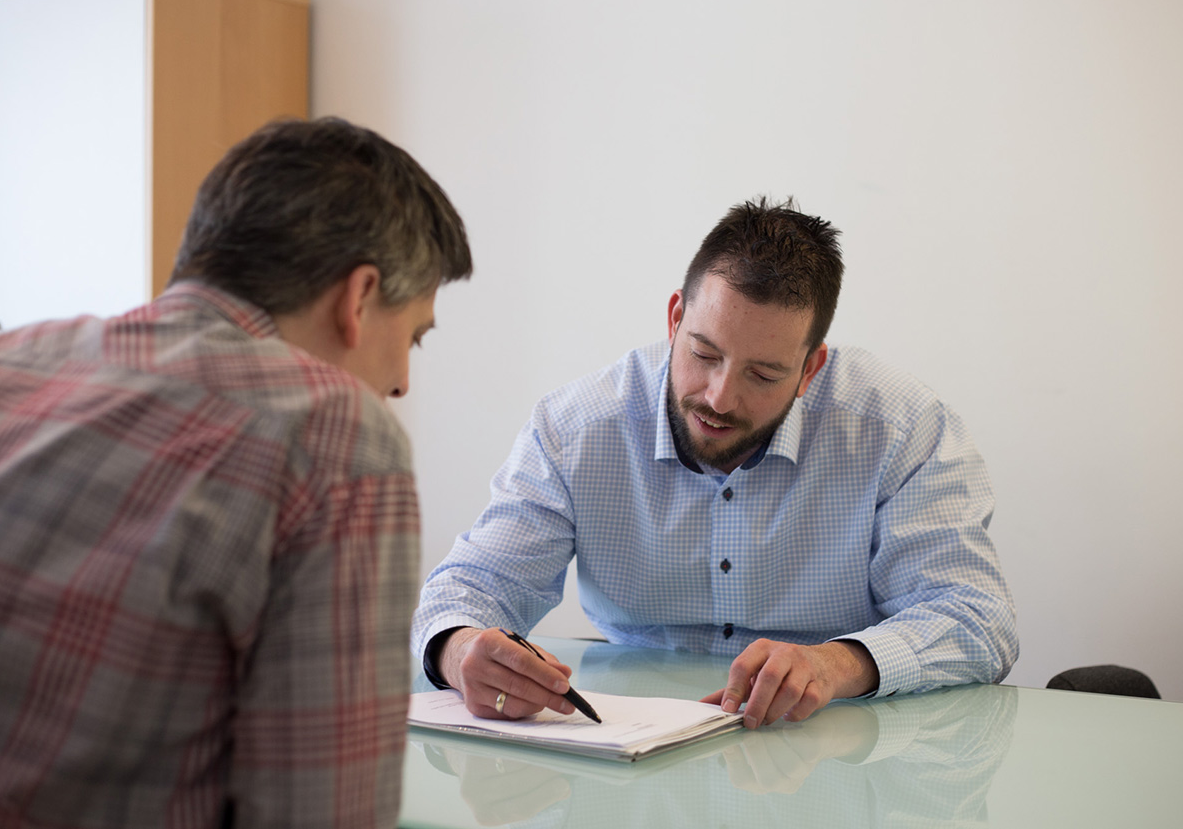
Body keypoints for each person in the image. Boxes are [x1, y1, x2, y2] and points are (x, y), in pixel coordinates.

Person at [0, 118, 471, 828]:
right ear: (359, 298)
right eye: (414, 337)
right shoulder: (335, 432)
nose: (400, 381)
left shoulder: (6, 362)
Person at [411, 196, 1018, 731]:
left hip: (831, 746)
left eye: (764, 374)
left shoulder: (902, 430)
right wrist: (459, 649)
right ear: (676, 318)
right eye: (704, 353)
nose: (720, 398)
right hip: (631, 747)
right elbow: (471, 587)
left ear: (810, 369)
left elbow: (977, 618)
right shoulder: (575, 429)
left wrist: (835, 663)